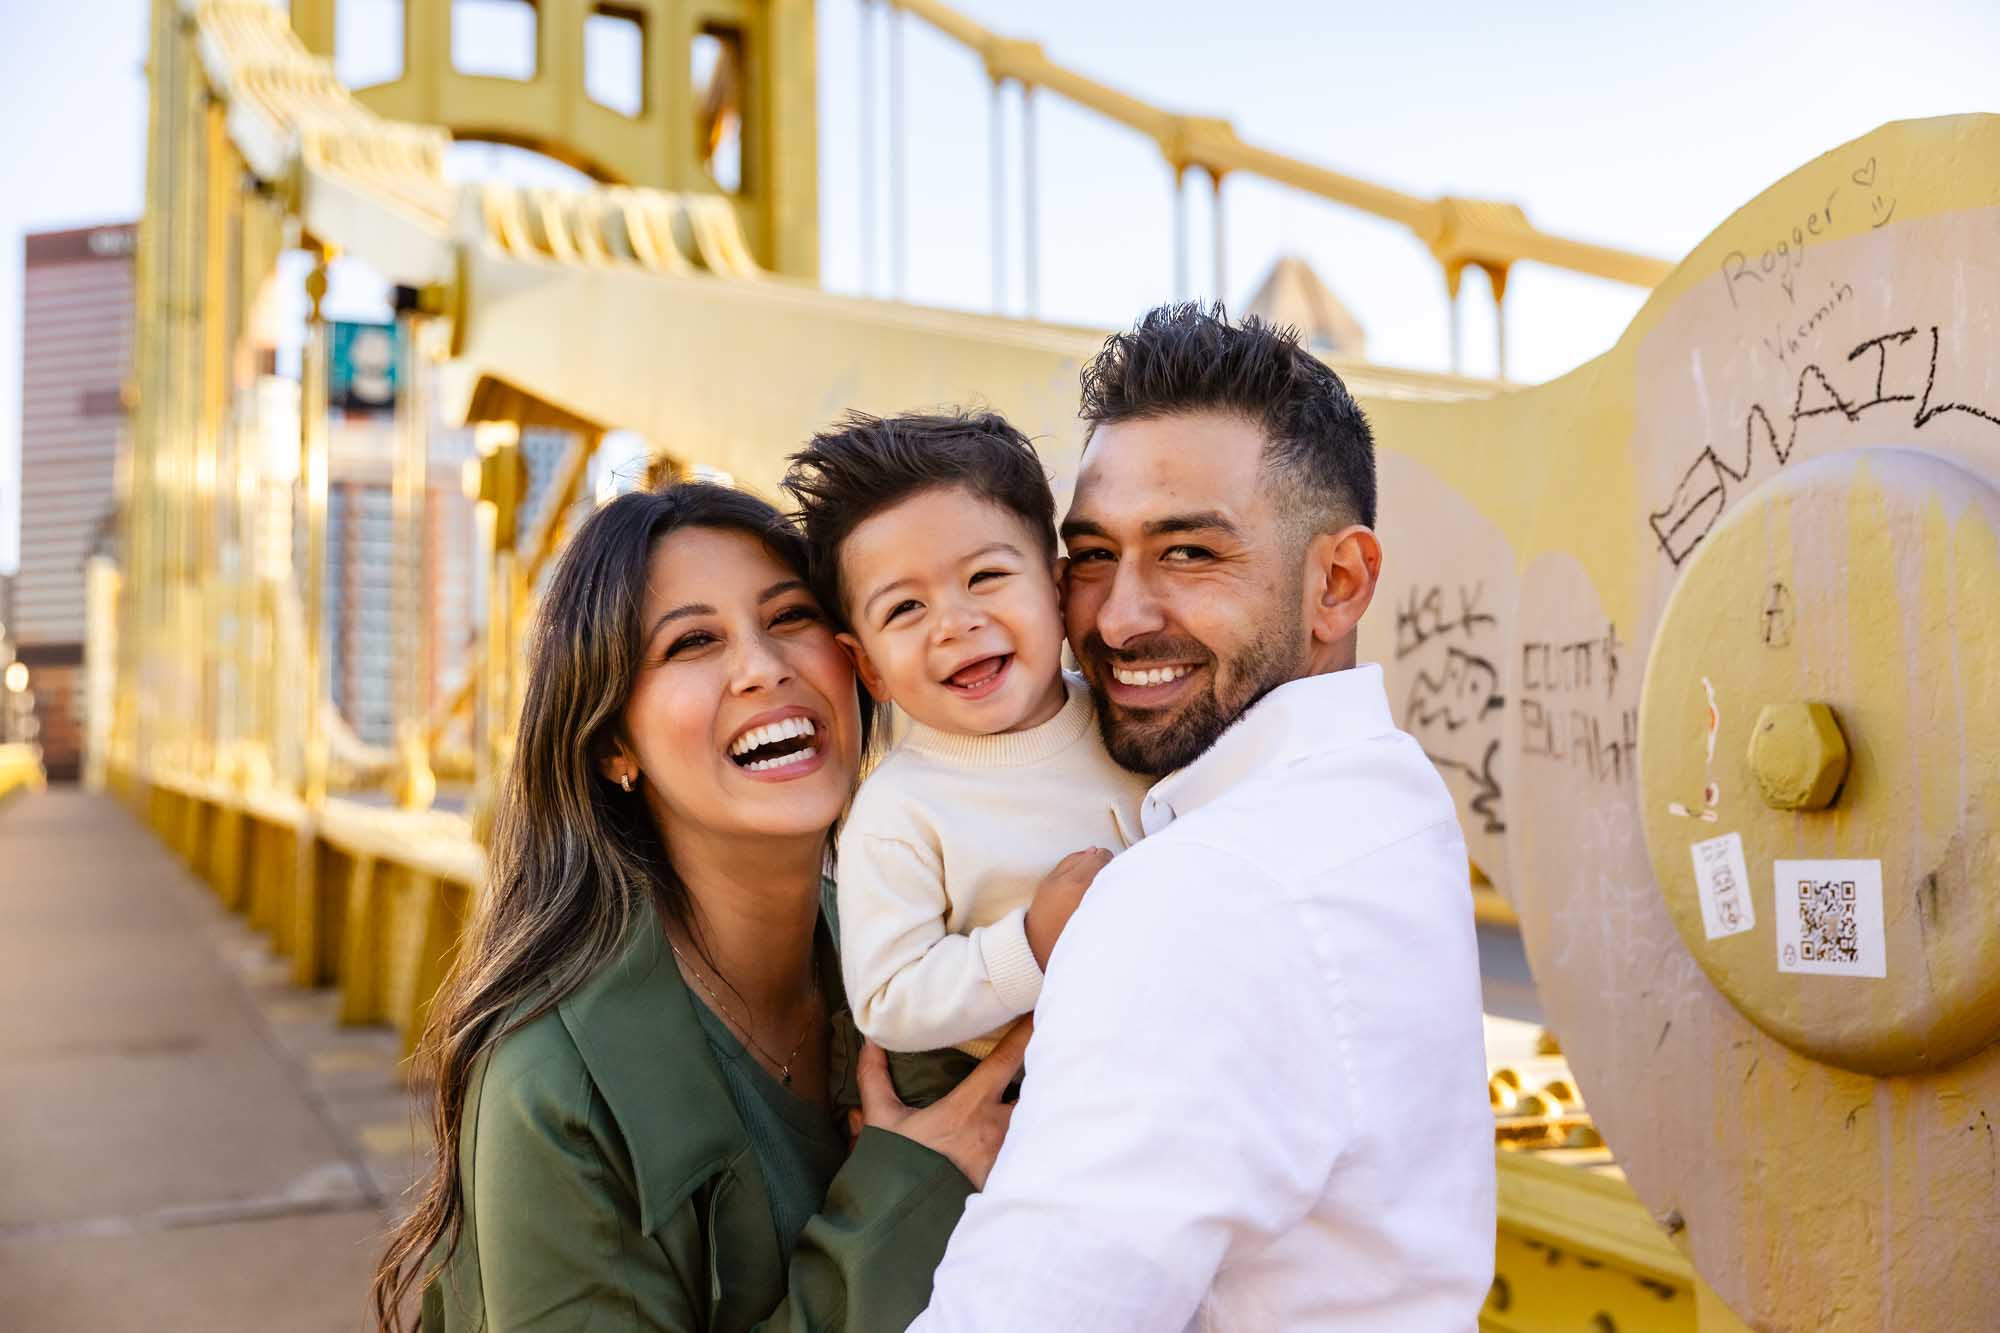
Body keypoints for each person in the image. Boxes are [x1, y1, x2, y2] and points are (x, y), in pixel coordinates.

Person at [893, 304, 1497, 1331]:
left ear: (1337, 583)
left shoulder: (1194, 898)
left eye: (1186, 554)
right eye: (1089, 555)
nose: (1116, 618)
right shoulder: (1388, 800)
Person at [368, 484, 1024, 1333]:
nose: (763, 666)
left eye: (789, 616)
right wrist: (903, 1199)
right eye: (693, 641)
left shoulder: (937, 957)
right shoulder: (553, 1086)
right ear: (613, 744)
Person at [782, 412, 1150, 1107]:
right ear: (869, 667)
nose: (955, 622)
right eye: (905, 608)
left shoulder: (1132, 722)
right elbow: (888, 997)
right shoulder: (900, 809)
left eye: (985, 575)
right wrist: (1031, 944)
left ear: (1059, 589)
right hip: (1014, 1098)